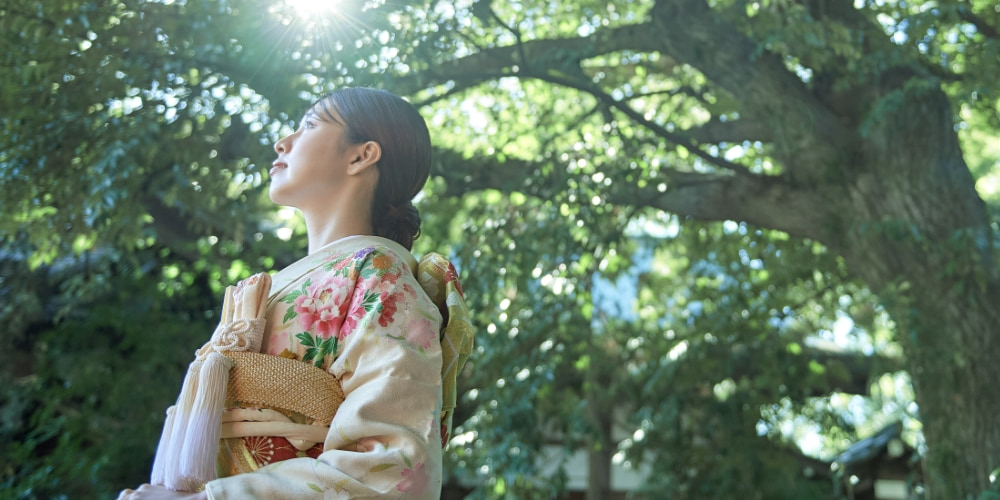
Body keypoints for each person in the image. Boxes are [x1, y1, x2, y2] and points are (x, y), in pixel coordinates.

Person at [119, 87, 465, 499]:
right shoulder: (264, 289)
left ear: (361, 155)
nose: (282, 142)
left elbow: (389, 470)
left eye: (310, 126)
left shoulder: (381, 277)